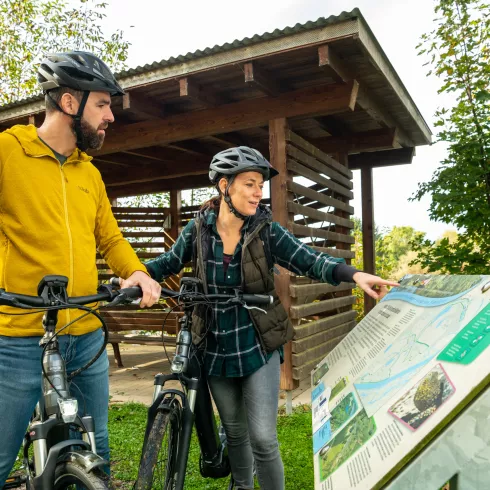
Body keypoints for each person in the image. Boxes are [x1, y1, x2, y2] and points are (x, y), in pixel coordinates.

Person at [145, 146, 398, 490]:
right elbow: (165, 265)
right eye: (249, 183)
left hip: (257, 344)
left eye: (259, 185)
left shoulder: (265, 231)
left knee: (262, 438)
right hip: (215, 348)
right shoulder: (197, 231)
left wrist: (354, 275)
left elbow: (309, 260)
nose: (257, 192)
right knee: (234, 434)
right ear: (224, 186)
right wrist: (135, 277)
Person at [0, 51, 161, 485]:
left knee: (97, 449)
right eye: (103, 104)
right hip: (19, 337)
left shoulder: (89, 173)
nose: (111, 116)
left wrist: (138, 273)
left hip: (85, 331)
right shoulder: (8, 153)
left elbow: (109, 239)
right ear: (70, 103)